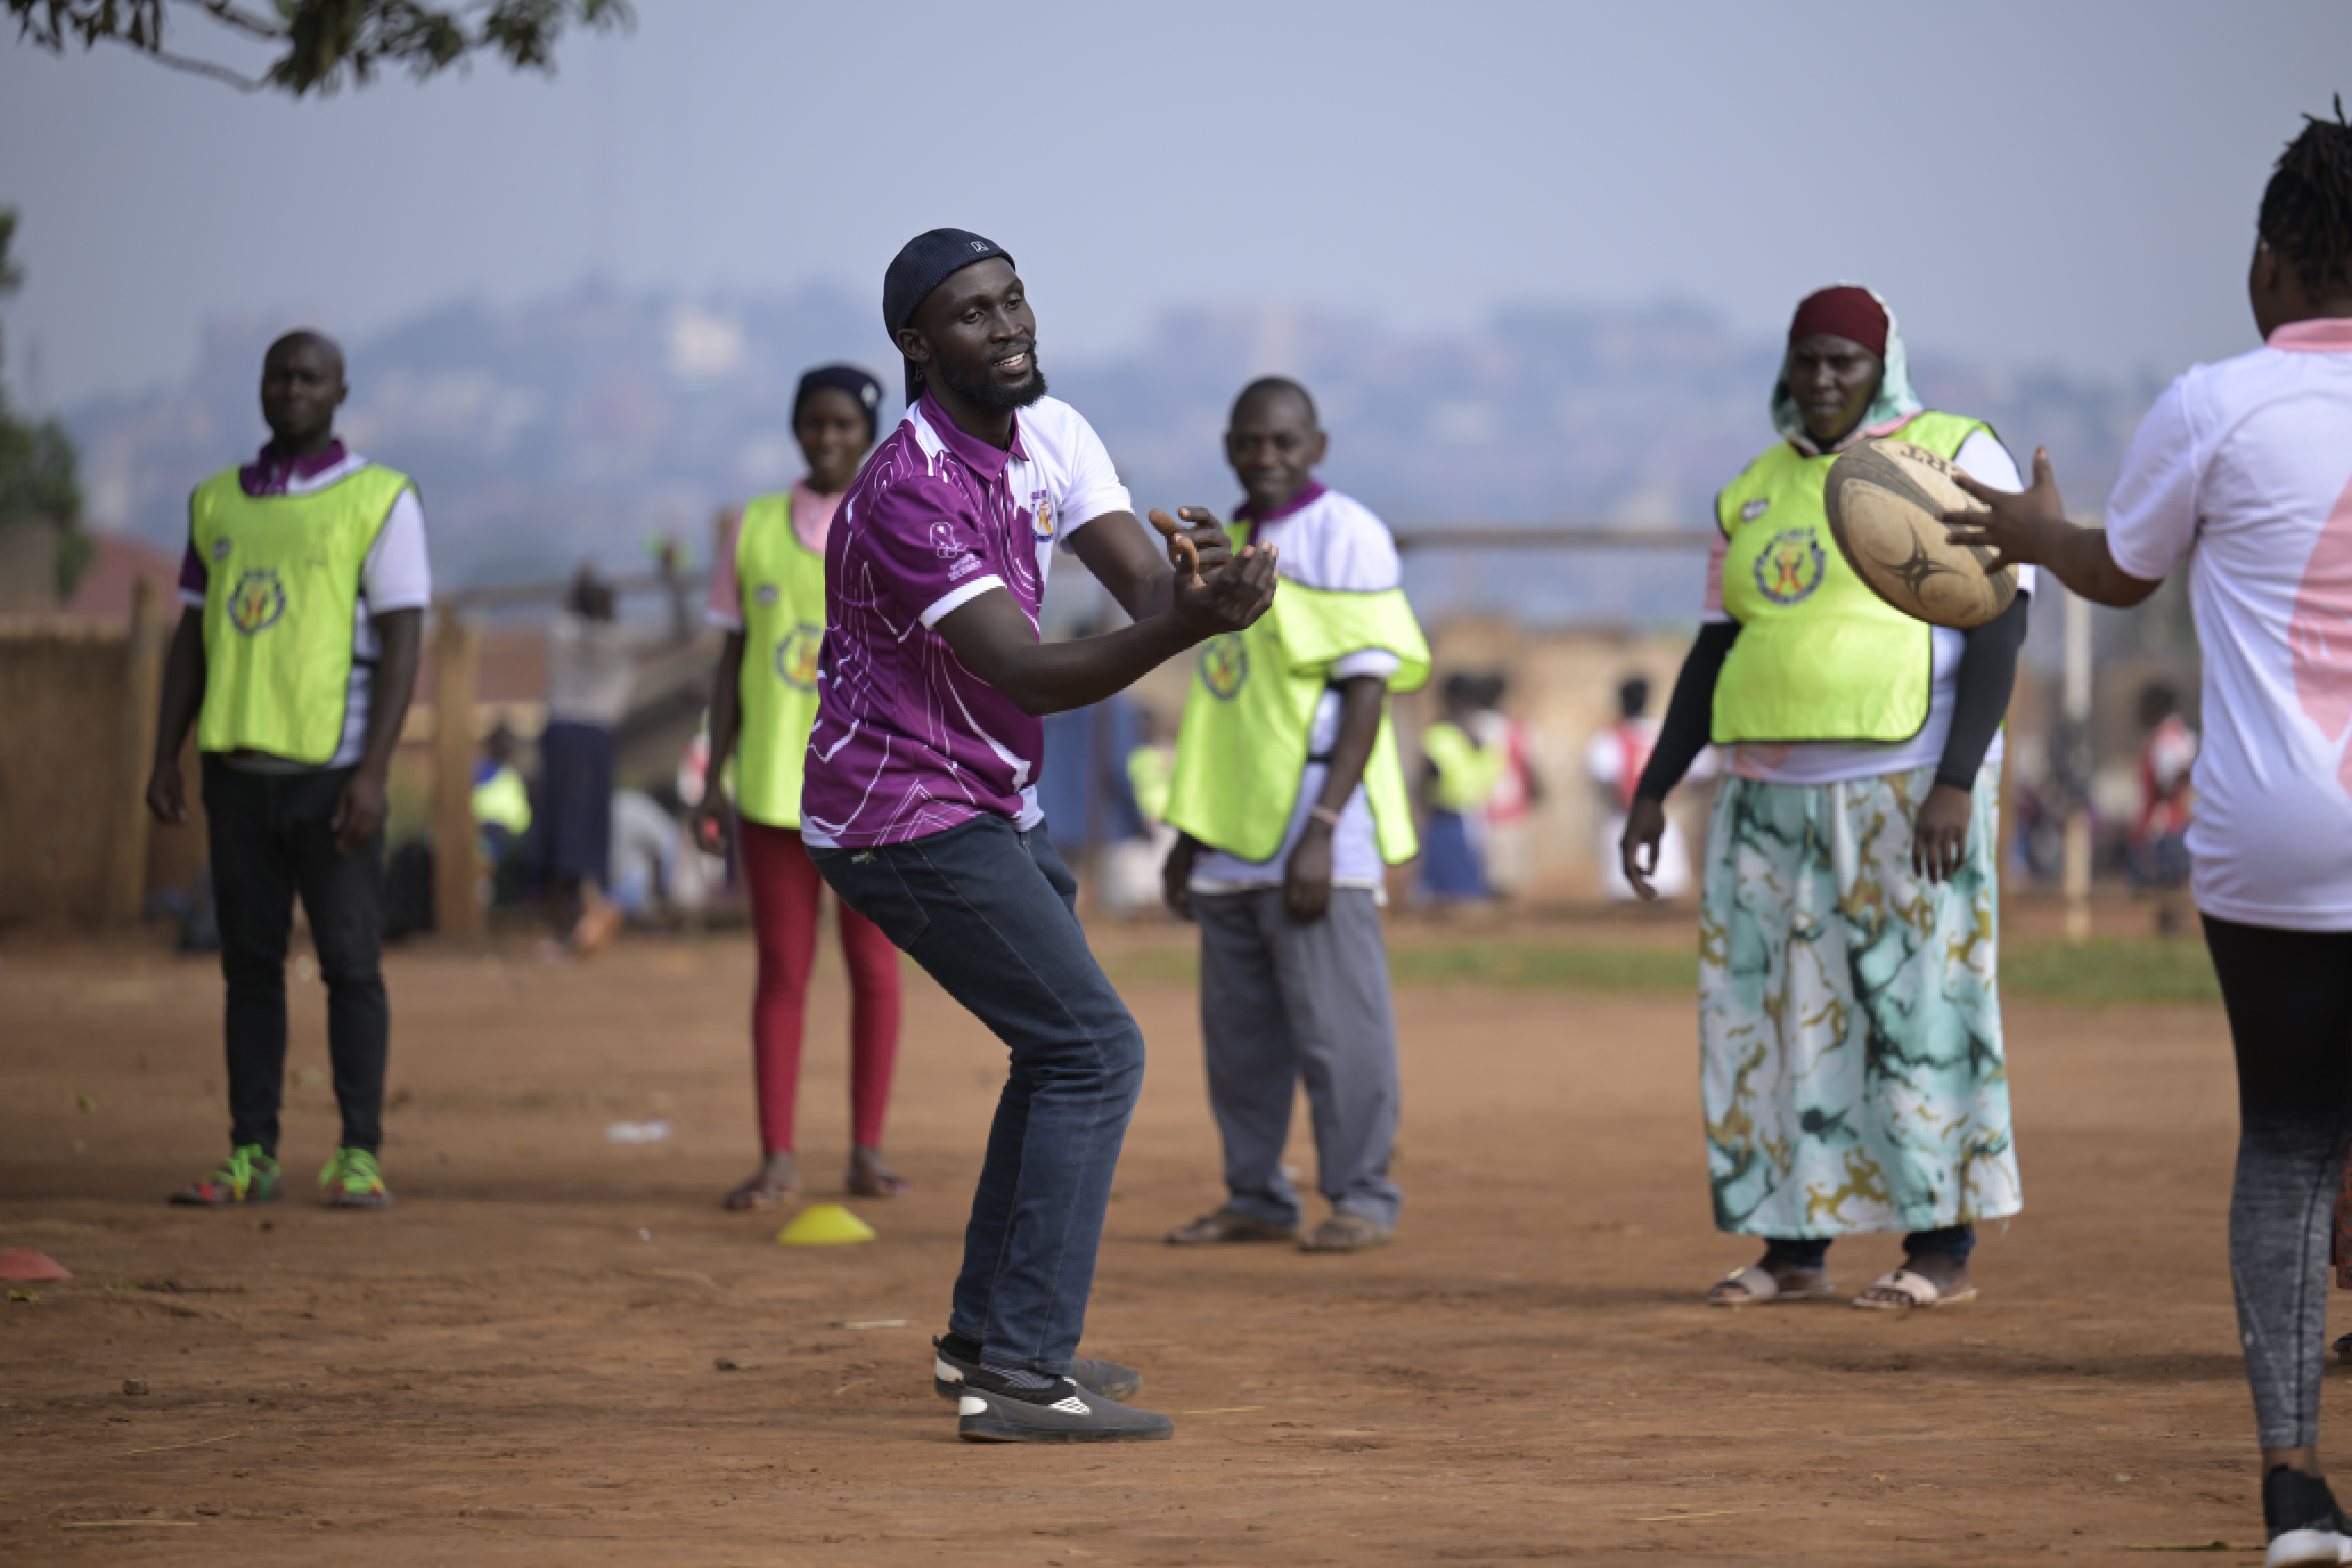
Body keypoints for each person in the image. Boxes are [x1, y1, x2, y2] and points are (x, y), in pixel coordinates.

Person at [1939, 102, 2352, 1567]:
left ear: (2267, 264)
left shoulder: (2216, 401)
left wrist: (2029, 529)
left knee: (2294, 1139)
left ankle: (2296, 1483)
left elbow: (2117, 572)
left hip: (2277, 841)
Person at [799, 229, 1277, 1444]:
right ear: (916, 341)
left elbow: (1145, 596)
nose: (1007, 326)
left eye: (1013, 300)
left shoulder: (1053, 433)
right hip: (896, 813)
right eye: (970, 313)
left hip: (986, 798)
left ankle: (985, 1343)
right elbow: (1025, 667)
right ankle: (1020, 1372)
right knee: (1093, 1052)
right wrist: (1187, 632)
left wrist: (1207, 595)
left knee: (1055, 1050)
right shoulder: (904, 489)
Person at [1624, 284, 2032, 1312]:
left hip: (1906, 790)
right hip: (1766, 797)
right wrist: (1653, 787)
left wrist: (1954, 782)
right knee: (1767, 1017)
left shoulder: (1952, 451)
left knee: (1920, 1010)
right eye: (1805, 360)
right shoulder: (1751, 491)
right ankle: (1790, 1249)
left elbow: (1998, 626)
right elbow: (1714, 650)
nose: (1820, 380)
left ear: (1881, 365)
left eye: (1842, 362)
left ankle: (1939, 1248)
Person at [144, 329, 428, 1210]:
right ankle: (251, 1151)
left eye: (311, 376)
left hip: (335, 772)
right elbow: (190, 635)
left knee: (351, 963)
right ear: (261, 389)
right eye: (280, 375)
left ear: (341, 391)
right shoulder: (215, 503)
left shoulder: (379, 500)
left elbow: (405, 635)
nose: (293, 388)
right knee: (250, 967)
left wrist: (374, 771)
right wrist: (167, 751)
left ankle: (358, 1152)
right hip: (237, 768)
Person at [1159, 377, 1430, 1255]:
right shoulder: (1227, 543)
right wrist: (1188, 836)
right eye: (1249, 442)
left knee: (1339, 1029)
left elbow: (1366, 692)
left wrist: (1322, 827)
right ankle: (1256, 1194)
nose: (1264, 457)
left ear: (1316, 446)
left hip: (1317, 823)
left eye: (1282, 442)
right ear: (1230, 445)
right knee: (1239, 1038)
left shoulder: (1344, 531)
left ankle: (1361, 1195)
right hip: (1230, 831)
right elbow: (1222, 704)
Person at [693, 364, 908, 1208]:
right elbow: (729, 661)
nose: (827, 439)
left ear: (869, 433)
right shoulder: (750, 530)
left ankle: (867, 1150)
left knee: (875, 971)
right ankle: (778, 1155)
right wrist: (713, 776)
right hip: (776, 790)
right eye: (812, 425)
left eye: (843, 426)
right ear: (796, 430)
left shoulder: (896, 520)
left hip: (873, 791)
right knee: (783, 971)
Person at [537, 547, 690, 956]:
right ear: (610, 611)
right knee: (587, 827)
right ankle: (588, 911)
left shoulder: (562, 633)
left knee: (558, 830)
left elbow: (574, 605)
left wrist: (582, 582)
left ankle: (568, 924)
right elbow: (681, 632)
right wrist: (670, 578)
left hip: (560, 733)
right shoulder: (622, 640)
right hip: (596, 739)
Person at [1588, 675, 1709, 901]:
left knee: (1633, 893)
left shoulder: (1608, 739)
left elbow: (1602, 776)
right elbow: (1703, 769)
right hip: (1655, 817)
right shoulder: (1662, 734)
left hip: (1627, 819)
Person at [1417, 673, 1502, 901]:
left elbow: (1427, 776)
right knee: (1459, 881)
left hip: (1460, 815)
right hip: (1459, 815)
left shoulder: (1448, 736)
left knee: (1457, 882)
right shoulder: (1463, 737)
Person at [2130, 680, 2198, 935]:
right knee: (2169, 887)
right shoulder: (2181, 734)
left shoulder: (2166, 737)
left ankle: (2172, 935)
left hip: (2165, 825)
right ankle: (2170, 934)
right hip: (2173, 823)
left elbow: (2170, 780)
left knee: (2167, 887)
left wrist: (2175, 781)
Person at [1470, 673, 1544, 898]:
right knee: (1506, 882)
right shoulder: (1515, 729)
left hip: (1475, 811)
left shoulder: (1470, 726)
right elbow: (1530, 767)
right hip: (1510, 812)